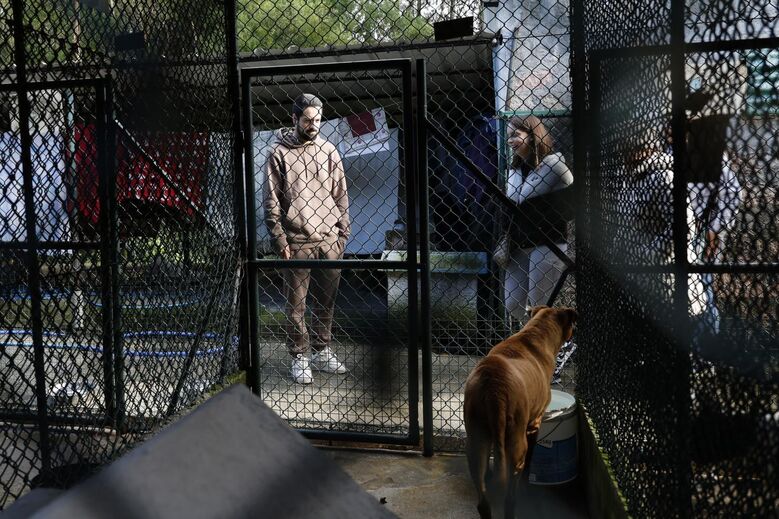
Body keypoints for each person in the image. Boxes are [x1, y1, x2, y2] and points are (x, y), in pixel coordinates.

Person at [263, 93, 351, 384]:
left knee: (327, 301)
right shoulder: (278, 152)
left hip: (329, 239)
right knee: (296, 306)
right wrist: (280, 240)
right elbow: (271, 200)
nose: (313, 125)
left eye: (317, 120)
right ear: (294, 118)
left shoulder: (328, 150)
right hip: (296, 239)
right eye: (307, 120)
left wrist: (342, 233)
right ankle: (300, 357)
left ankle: (321, 351)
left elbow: (341, 194)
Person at [502, 115, 574, 322]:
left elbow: (573, 198)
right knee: (513, 304)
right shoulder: (514, 170)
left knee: (539, 305)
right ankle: (541, 337)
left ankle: (551, 345)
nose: (510, 141)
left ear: (533, 136)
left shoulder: (553, 165)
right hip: (519, 243)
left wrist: (546, 213)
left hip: (547, 242)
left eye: (516, 135)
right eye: (508, 137)